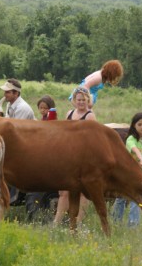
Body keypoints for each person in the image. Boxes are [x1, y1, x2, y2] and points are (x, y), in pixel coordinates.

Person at [53, 87, 95, 225]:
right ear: (74, 101)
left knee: (83, 192)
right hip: (68, 156)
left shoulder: (90, 116)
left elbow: (93, 138)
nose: (81, 102)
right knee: (64, 191)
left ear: (88, 100)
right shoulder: (69, 113)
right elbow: (64, 133)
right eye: (79, 100)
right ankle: (56, 222)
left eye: (84, 100)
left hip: (84, 157)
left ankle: (78, 222)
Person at [0, 78, 39, 220]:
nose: (5, 94)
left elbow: (16, 132)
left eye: (8, 92)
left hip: (28, 145)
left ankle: (12, 191)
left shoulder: (22, 108)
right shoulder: (12, 105)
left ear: (16, 93)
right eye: (5, 91)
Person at [113, 112, 142, 228]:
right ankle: (116, 223)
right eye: (139, 124)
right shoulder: (130, 139)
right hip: (127, 174)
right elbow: (134, 149)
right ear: (134, 126)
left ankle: (133, 225)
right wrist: (141, 158)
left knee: (137, 200)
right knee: (121, 198)